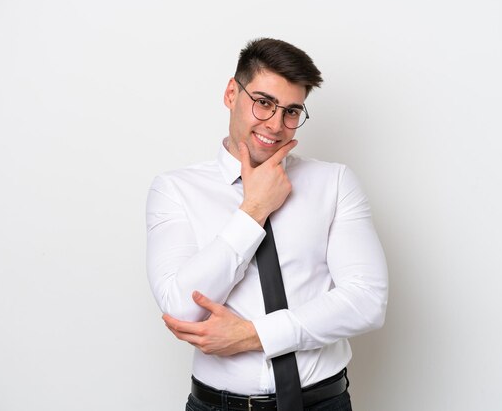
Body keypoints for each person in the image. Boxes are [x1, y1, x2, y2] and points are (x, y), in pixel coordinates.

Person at [146, 38, 388, 411]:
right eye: (263, 103)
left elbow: (367, 300)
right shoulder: (176, 190)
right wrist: (254, 209)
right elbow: (181, 310)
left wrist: (254, 335)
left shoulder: (334, 183)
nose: (276, 125)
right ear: (231, 93)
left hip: (322, 403)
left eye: (292, 111)